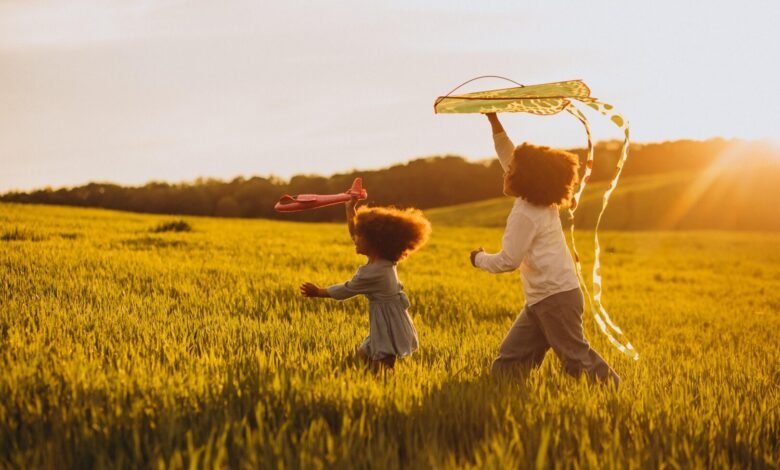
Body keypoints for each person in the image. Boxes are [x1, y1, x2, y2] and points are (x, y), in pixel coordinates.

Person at [471, 113, 620, 386]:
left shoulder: (525, 214)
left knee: (576, 360)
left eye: (511, 172)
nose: (505, 172)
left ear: (526, 180)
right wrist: (493, 119)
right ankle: (498, 393)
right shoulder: (541, 198)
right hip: (543, 300)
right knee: (509, 363)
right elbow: (509, 154)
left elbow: (508, 261)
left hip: (555, 300)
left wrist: (478, 258)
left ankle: (613, 389)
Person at [300, 197, 430, 373]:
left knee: (383, 365)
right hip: (386, 320)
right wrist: (350, 209)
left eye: (360, 236)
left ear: (374, 243)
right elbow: (355, 231)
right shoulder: (385, 259)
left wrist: (318, 292)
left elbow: (346, 289)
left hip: (388, 324)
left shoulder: (372, 273)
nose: (355, 239)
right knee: (362, 358)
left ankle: (388, 393)